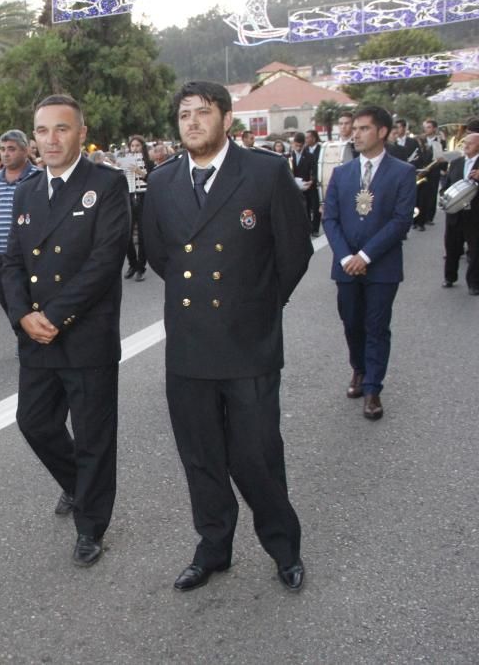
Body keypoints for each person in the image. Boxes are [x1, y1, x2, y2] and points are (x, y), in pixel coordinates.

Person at [142, 80, 313, 592]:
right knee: (201, 457)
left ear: (226, 118)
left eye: (203, 112)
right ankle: (214, 547)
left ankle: (283, 548)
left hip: (249, 345)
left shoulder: (264, 172)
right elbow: (158, 254)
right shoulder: (163, 180)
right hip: (190, 347)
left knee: (257, 456)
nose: (192, 122)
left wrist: (258, 305)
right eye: (184, 115)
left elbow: (295, 253)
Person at [2, 95, 130, 567]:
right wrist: (22, 316)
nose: (51, 139)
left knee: (94, 435)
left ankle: (91, 525)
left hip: (85, 333)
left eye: (61, 129)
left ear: (80, 132)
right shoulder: (27, 191)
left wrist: (54, 315)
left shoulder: (108, 184)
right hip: (36, 333)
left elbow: (105, 261)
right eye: (41, 131)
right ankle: (79, 486)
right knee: (34, 422)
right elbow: (11, 261)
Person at [323, 105, 416, 421]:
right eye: (354, 128)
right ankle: (359, 370)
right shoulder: (341, 173)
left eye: (363, 128)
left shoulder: (402, 173)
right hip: (345, 265)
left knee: (376, 326)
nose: (356, 133)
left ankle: (373, 388)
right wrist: (347, 256)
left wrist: (365, 256)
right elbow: (331, 218)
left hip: (382, 267)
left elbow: (400, 221)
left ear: (383, 132)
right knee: (351, 323)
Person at [0, 130, 40, 314]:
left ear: (25, 151)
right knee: (9, 305)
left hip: (29, 258)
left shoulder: (39, 178)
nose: (5, 154)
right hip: (0, 257)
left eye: (11, 149)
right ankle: (24, 338)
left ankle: (30, 340)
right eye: (3, 149)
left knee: (30, 307)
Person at [442, 132, 479, 295]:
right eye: (465, 142)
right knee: (451, 247)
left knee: (476, 250)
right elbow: (446, 184)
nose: (466, 146)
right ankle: (449, 277)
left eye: (471, 143)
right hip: (455, 213)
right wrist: (443, 196)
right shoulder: (456, 162)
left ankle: (474, 283)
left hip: (475, 215)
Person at [123, 134, 152, 282]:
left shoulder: (149, 163)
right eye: (132, 146)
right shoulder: (124, 162)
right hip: (128, 198)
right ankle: (132, 264)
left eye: (137, 146)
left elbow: (153, 180)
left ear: (142, 147)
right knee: (126, 235)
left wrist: (140, 172)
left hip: (143, 198)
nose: (134, 149)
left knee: (142, 236)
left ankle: (141, 267)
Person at [414, 118, 447, 230]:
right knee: (419, 195)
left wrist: (442, 166)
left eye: (428, 127)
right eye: (425, 127)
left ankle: (429, 217)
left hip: (434, 171)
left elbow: (442, 157)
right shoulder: (420, 140)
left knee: (432, 194)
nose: (426, 129)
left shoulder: (440, 141)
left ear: (434, 128)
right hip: (422, 170)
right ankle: (416, 219)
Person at [291, 132, 319, 236]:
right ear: (293, 143)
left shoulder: (310, 156)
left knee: (308, 208)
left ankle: (311, 229)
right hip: (293, 187)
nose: (298, 148)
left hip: (307, 186)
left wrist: (312, 181)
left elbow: (314, 171)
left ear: (303, 144)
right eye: (296, 145)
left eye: (300, 146)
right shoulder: (289, 155)